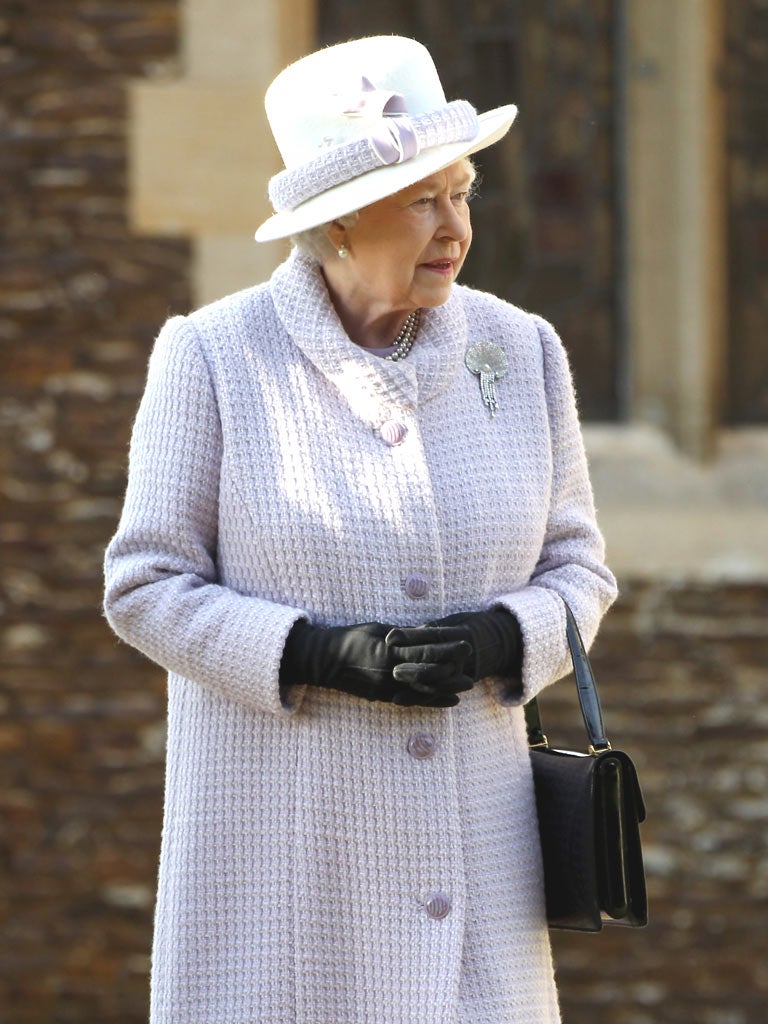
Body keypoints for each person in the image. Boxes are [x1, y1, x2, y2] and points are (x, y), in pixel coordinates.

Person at [104, 35, 617, 1024]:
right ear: (338, 222)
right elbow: (145, 584)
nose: (455, 226)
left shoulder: (523, 351)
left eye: (462, 192)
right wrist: (320, 652)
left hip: (479, 876)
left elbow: (580, 573)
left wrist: (500, 639)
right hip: (283, 883)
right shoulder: (213, 357)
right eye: (423, 199)